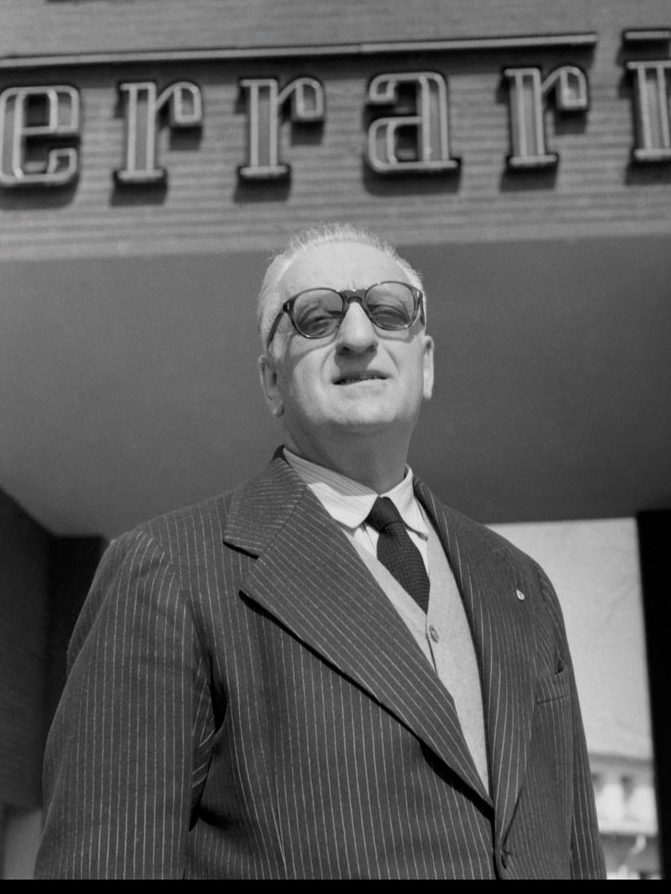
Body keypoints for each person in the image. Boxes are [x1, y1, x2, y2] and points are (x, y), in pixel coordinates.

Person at [35, 223, 606, 879]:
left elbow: (574, 852)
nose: (359, 338)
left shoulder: (521, 585)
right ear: (272, 381)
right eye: (316, 318)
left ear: (425, 363)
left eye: (388, 312)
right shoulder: (168, 572)